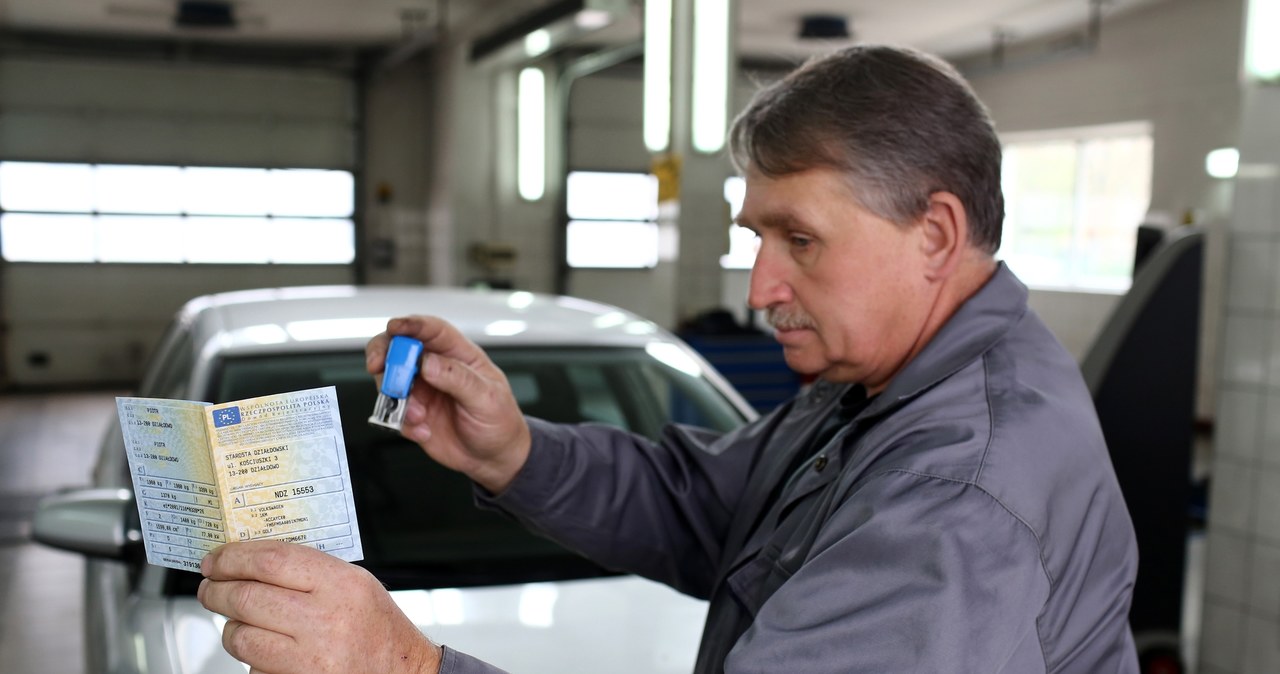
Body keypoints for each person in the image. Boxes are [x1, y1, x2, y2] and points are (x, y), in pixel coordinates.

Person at [196, 44, 1140, 673]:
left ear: (935, 232)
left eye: (799, 240)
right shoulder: (881, 381)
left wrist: (402, 664)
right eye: (756, 239)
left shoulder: (958, 496)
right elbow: (713, 508)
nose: (762, 289)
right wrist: (514, 453)